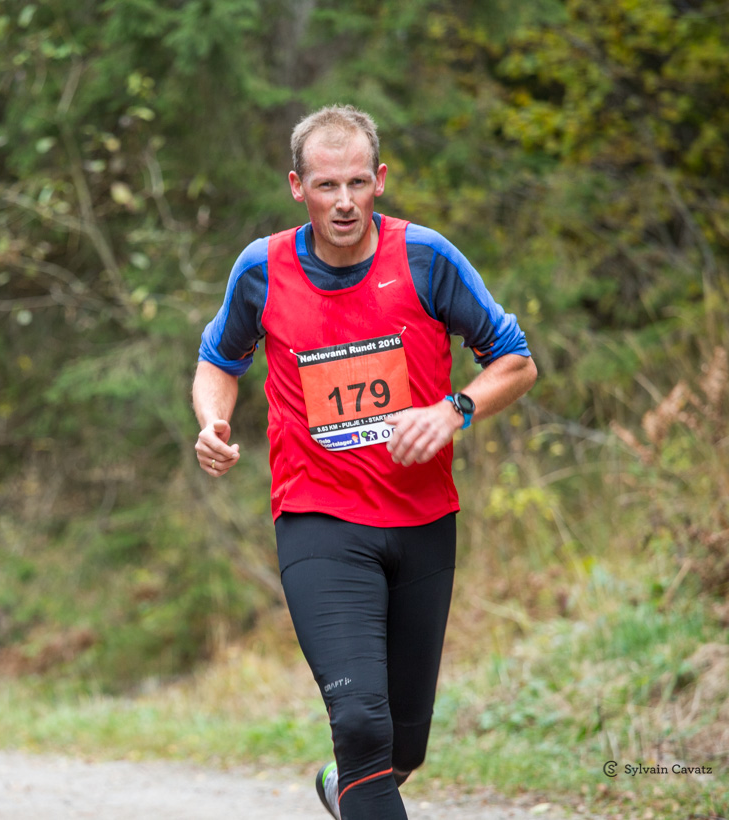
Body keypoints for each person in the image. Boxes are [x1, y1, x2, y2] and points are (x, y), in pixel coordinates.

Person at [192, 105, 537, 820]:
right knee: (358, 727)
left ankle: (342, 788)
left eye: (356, 182)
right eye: (326, 185)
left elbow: (516, 361)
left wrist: (453, 411)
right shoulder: (262, 268)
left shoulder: (426, 258)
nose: (344, 201)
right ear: (298, 187)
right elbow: (218, 359)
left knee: (402, 748)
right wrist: (213, 420)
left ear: (380, 179)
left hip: (421, 519)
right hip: (317, 519)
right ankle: (356, 776)